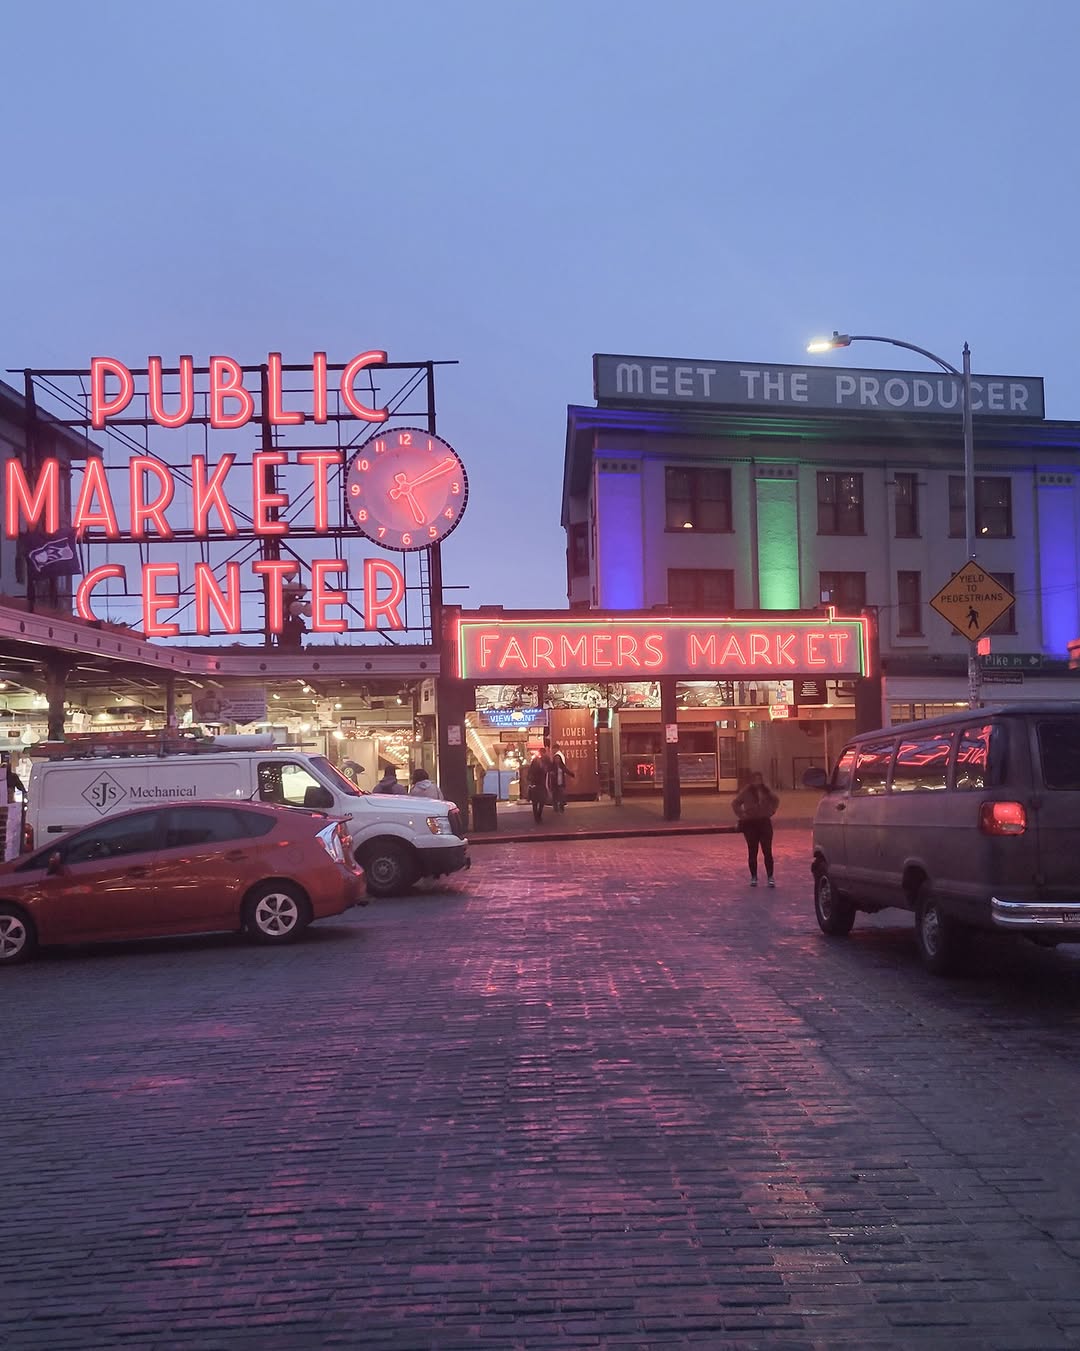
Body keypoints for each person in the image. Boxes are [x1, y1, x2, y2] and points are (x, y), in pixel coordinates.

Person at [732, 771, 780, 887]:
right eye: (755, 779)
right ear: (752, 780)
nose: (758, 781)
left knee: (767, 851)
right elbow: (735, 803)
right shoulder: (746, 791)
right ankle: (754, 877)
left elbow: (776, 800)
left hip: (764, 822)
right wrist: (742, 815)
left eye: (759, 779)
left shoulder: (766, 791)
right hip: (750, 824)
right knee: (752, 851)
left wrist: (771, 811)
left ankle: (770, 877)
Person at [526, 749, 553, 822]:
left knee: (535, 802)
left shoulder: (537, 761)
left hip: (535, 784)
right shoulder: (543, 762)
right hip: (541, 784)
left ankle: (537, 816)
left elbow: (530, 772)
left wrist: (529, 779)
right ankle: (538, 816)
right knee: (541, 801)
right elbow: (549, 769)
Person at [549, 744, 575, 813]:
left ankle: (561, 807)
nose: (557, 760)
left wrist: (572, 774)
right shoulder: (553, 767)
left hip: (561, 783)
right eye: (556, 759)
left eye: (558, 759)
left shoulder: (561, 766)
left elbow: (566, 770)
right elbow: (549, 771)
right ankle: (556, 808)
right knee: (555, 796)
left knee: (561, 795)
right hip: (555, 783)